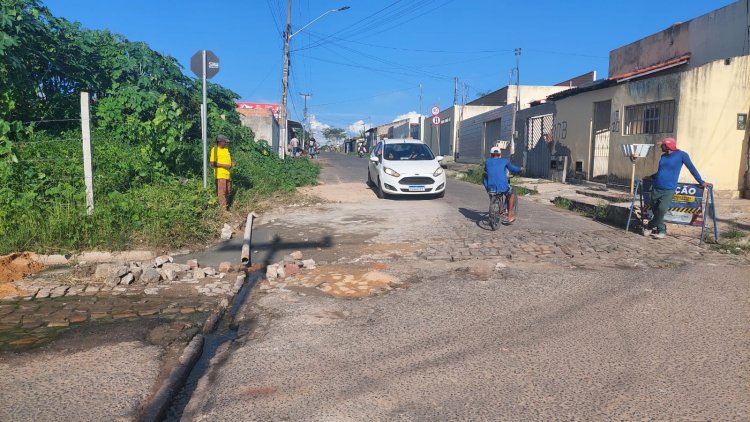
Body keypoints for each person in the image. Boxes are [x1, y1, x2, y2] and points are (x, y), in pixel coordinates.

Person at [642, 137, 710, 239]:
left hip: (669, 189)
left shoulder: (682, 155)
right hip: (656, 187)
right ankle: (662, 230)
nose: (661, 147)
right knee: (655, 210)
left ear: (668, 146)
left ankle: (650, 226)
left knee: (662, 209)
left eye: (662, 145)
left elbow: (692, 169)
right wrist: (651, 177)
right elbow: (661, 171)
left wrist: (701, 182)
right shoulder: (663, 156)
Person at [483, 146, 525, 224]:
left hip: (491, 186)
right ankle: (509, 215)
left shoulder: (487, 161)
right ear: (499, 154)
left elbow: (486, 170)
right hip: (502, 185)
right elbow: (513, 169)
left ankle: (494, 203)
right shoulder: (504, 161)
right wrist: (520, 169)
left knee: (493, 191)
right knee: (511, 194)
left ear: (491, 154)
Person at [210, 134, 236, 210]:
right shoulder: (214, 150)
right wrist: (225, 166)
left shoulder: (226, 150)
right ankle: (223, 210)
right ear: (220, 142)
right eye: (225, 142)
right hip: (220, 175)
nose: (226, 143)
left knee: (228, 191)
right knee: (222, 192)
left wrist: (232, 163)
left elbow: (229, 160)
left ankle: (226, 207)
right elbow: (213, 163)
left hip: (227, 175)